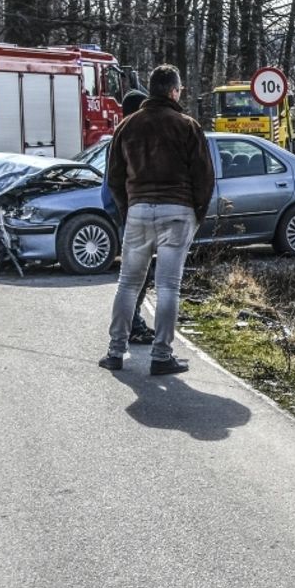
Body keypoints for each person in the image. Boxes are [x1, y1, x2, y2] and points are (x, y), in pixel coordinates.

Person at [99, 66, 214, 375]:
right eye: (180, 90)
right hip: (177, 211)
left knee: (127, 284)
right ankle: (161, 356)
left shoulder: (127, 126)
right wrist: (196, 215)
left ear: (151, 90)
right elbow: (204, 178)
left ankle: (114, 351)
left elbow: (114, 178)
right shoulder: (187, 126)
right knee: (167, 287)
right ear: (174, 91)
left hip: (138, 210)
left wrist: (129, 209)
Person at [100, 89, 156, 345]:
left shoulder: (124, 138)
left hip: (132, 217)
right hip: (132, 219)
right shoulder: (124, 141)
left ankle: (132, 324)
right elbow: (109, 189)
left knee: (141, 275)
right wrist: (125, 216)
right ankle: (130, 326)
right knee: (136, 276)